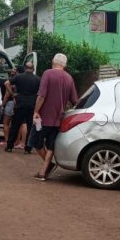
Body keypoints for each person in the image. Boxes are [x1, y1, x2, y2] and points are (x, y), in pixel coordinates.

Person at [32, 53, 78, 181]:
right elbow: (75, 100)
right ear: (65, 64)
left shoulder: (48, 74)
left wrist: (36, 111)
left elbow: (41, 96)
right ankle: (44, 171)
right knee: (51, 145)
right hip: (59, 119)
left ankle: (46, 168)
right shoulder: (69, 78)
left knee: (36, 142)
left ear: (53, 62)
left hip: (43, 118)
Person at [5, 61, 40, 153]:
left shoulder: (18, 77)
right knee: (30, 126)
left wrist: (13, 94)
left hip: (19, 104)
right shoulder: (37, 79)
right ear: (33, 69)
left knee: (15, 125)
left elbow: (6, 83)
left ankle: (9, 146)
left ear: (25, 68)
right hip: (32, 105)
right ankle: (28, 149)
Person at [0, 68, 17, 147]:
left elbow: (7, 96)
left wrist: (2, 105)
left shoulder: (10, 84)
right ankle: (16, 141)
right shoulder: (19, 83)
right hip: (17, 103)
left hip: (10, 103)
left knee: (6, 123)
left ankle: (7, 141)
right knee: (15, 124)